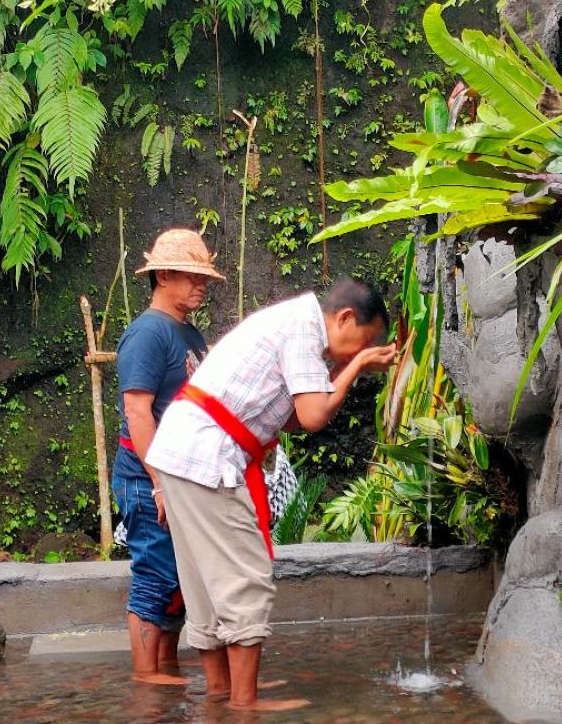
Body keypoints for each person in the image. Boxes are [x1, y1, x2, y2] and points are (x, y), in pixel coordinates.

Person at [146, 277, 397, 711]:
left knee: (204, 581)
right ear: (345, 318)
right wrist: (354, 369)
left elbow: (293, 420)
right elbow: (315, 415)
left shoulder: (293, 323)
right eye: (365, 340)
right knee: (245, 578)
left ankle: (220, 693)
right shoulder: (303, 328)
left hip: (181, 452)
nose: (362, 351)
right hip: (208, 456)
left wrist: (343, 369)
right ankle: (245, 703)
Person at [112, 228, 223, 685]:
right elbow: (138, 410)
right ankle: (146, 684)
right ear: (162, 275)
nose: (202, 285)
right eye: (191, 276)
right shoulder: (148, 334)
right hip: (148, 478)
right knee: (155, 575)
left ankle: (167, 672)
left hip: (176, 478)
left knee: (178, 582)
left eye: (205, 277)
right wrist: (159, 482)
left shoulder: (186, 332)